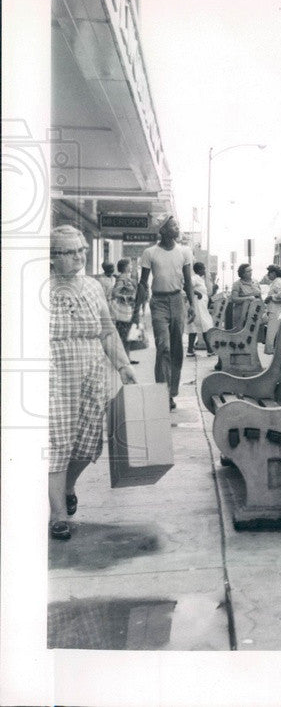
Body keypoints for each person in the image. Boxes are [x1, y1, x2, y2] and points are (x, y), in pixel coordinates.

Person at [49, 225, 137, 540]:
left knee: (87, 444)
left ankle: (69, 486)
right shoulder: (42, 286)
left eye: (82, 250)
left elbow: (107, 331)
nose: (79, 257)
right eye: (70, 252)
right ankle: (58, 514)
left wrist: (124, 365)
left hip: (91, 367)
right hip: (54, 369)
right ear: (52, 257)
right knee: (58, 442)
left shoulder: (93, 287)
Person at [132, 214, 196, 411]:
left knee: (177, 349)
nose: (178, 228)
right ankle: (162, 394)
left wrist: (192, 304)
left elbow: (188, 281)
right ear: (164, 231)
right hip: (158, 302)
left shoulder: (185, 252)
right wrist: (137, 309)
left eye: (177, 224)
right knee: (164, 347)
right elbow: (143, 283)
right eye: (174, 225)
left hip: (177, 301)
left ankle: (172, 391)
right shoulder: (149, 253)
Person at [108, 257, 139, 365]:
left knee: (128, 336)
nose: (131, 267)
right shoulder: (122, 279)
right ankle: (123, 360)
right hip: (123, 311)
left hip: (128, 310)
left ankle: (126, 358)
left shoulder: (127, 278)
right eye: (130, 265)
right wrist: (126, 297)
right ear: (125, 267)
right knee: (124, 336)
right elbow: (115, 293)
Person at [186, 262, 216, 357]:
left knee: (197, 327)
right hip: (197, 305)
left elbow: (207, 294)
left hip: (201, 306)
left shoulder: (201, 280)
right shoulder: (195, 278)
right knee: (204, 326)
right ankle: (210, 350)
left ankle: (190, 350)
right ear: (199, 270)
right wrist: (197, 293)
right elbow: (186, 286)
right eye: (203, 268)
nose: (205, 270)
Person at [262, 264, 281, 355]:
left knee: (272, 332)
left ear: (274, 273)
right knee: (272, 332)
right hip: (274, 310)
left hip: (275, 310)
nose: (268, 275)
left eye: (269, 273)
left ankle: (273, 351)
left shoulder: (277, 282)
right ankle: (274, 350)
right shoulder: (277, 281)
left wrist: (271, 297)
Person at [229, 263, 262, 329]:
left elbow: (260, 296)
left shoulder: (255, 282)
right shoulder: (237, 284)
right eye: (248, 271)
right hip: (242, 312)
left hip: (255, 312)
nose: (250, 273)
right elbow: (233, 298)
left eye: (251, 270)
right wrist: (248, 298)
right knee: (241, 331)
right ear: (242, 273)